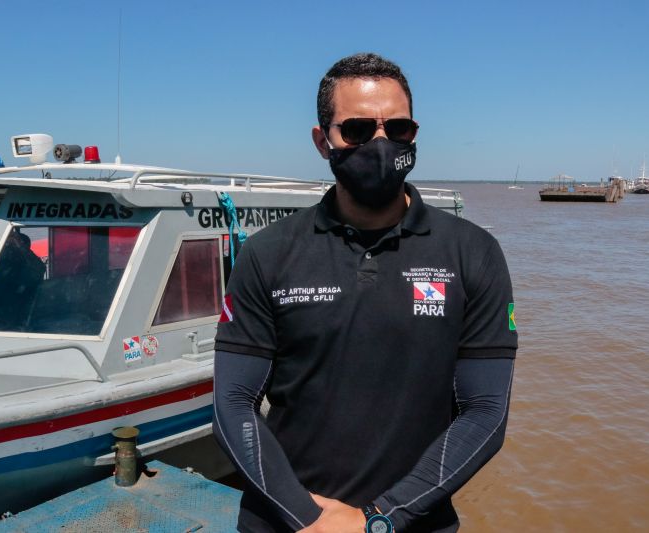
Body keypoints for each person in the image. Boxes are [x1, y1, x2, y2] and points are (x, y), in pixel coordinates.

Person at [213, 53, 518, 533]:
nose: (381, 143)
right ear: (322, 141)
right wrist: (309, 518)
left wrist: (380, 519)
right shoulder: (268, 253)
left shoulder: (473, 253)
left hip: (412, 522)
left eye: (397, 128)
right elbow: (231, 402)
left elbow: (485, 414)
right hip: (283, 521)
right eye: (356, 130)